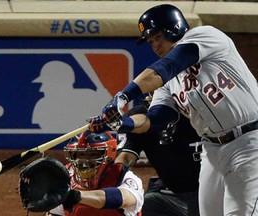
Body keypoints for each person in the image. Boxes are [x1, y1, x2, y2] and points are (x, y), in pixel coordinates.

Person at [89, 4, 258, 216]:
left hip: (249, 140)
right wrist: (120, 123)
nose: (155, 46)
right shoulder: (170, 82)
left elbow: (169, 64)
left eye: (157, 37)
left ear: (174, 27)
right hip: (212, 149)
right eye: (150, 41)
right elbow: (156, 118)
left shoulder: (206, 36)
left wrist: (123, 96)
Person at [115, 96, 201, 216]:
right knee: (148, 203)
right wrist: (112, 184)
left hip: (211, 188)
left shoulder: (200, 109)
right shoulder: (136, 117)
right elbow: (125, 157)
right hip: (170, 191)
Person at [48, 130, 144, 216]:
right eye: (81, 154)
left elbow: (124, 199)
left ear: (109, 155)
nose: (86, 160)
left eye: (94, 154)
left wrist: (76, 196)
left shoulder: (123, 176)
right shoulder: (66, 177)